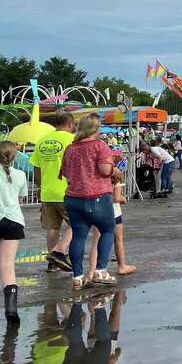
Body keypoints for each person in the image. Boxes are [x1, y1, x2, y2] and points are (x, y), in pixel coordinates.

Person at [60, 114, 118, 290]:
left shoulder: (70, 148)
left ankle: (78, 277)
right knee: (108, 230)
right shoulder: (99, 146)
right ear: (95, 128)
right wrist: (115, 171)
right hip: (97, 197)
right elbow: (105, 169)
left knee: (78, 236)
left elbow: (66, 173)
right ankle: (100, 270)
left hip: (73, 198)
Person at [29, 112, 75, 273]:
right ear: (70, 124)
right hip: (67, 190)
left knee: (52, 227)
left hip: (47, 191)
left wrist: (40, 187)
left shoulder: (41, 141)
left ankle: (52, 262)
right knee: (78, 223)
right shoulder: (72, 140)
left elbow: (36, 168)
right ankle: (59, 251)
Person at [0, 141, 29, 324]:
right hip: (13, 221)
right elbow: (21, 198)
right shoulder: (20, 174)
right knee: (7, 265)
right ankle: (11, 310)